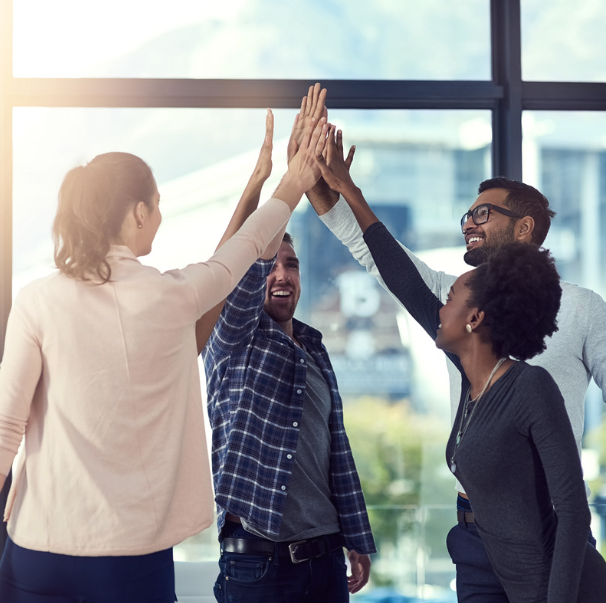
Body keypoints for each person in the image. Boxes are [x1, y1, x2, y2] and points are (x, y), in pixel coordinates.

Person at [0, 111, 328, 603]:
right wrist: (292, 181)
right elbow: (244, 248)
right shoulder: (172, 296)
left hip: (38, 550)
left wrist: (266, 180)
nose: (158, 215)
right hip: (132, 562)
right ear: (137, 212)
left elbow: (7, 427)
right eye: (156, 205)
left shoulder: (37, 300)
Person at [306, 126, 606, 601]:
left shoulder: (583, 309)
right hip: (474, 535)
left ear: (525, 226)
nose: (468, 223)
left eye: (483, 213)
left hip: (547, 535)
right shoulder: (460, 307)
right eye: (466, 214)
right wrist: (319, 190)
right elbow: (379, 258)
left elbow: (572, 506)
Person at [201, 85, 375, 603]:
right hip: (258, 566)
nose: (281, 273)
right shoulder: (231, 337)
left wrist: (355, 536)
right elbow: (232, 270)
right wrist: (277, 181)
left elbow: (334, 451)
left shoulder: (315, 347)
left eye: (292, 264)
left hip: (323, 562)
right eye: (271, 262)